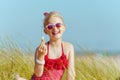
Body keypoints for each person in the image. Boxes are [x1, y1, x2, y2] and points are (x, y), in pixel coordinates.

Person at [31, 11, 75, 80]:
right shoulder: (41, 49)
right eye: (50, 26)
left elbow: (71, 72)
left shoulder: (68, 47)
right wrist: (40, 56)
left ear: (64, 27)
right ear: (45, 31)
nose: (55, 28)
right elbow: (38, 74)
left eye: (58, 25)